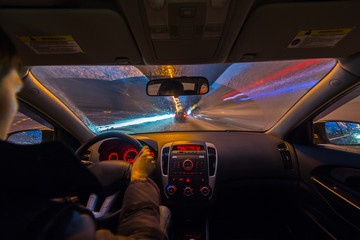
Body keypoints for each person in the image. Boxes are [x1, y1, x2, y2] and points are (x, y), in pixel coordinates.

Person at [0, 29, 169, 240]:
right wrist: (140, 178)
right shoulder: (61, 225)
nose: (16, 89)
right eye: (13, 83)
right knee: (163, 213)